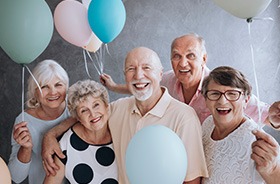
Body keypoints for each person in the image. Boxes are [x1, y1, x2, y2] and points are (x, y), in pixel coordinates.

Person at [42, 47, 209, 184]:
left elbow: (192, 180)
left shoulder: (184, 117)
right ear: (125, 76)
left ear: (160, 74)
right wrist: (51, 135)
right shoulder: (117, 109)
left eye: (146, 68)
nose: (138, 75)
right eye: (131, 69)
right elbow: (85, 113)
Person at [100, 33, 280, 128]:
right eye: (176, 56)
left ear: (204, 59)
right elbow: (143, 86)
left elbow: (263, 113)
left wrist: (275, 118)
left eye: (190, 55)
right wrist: (114, 87)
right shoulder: (169, 79)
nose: (183, 63)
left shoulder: (222, 86)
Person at [200, 66, 280, 184]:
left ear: (246, 100)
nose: (222, 101)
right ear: (206, 99)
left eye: (232, 94)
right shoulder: (208, 123)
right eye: (215, 93)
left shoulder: (260, 144)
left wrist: (273, 170)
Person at [8, 59, 71, 184]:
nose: (53, 92)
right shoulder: (23, 121)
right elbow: (16, 177)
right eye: (44, 86)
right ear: (34, 92)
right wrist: (25, 149)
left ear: (67, 87)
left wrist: (50, 134)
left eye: (58, 85)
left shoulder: (78, 109)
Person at [44, 79, 118, 184]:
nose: (93, 114)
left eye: (96, 105)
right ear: (77, 118)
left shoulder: (121, 131)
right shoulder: (67, 143)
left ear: (106, 106)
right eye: (84, 110)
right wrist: (49, 135)